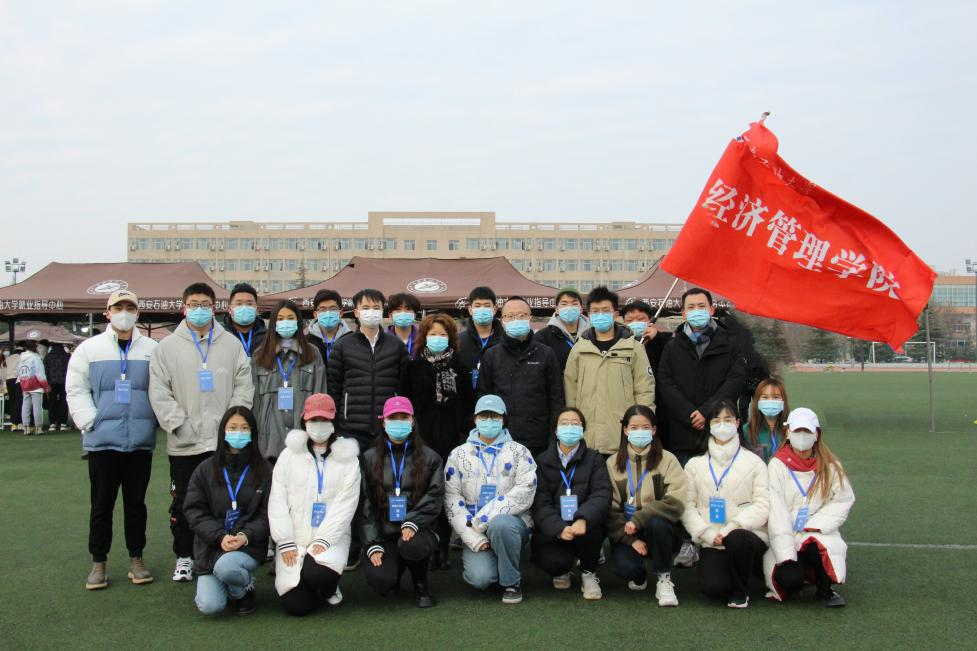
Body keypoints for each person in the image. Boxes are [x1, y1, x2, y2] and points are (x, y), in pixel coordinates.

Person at [149, 282, 254, 582]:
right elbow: (159, 392)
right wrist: (179, 425)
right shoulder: (167, 347)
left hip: (224, 443)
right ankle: (184, 555)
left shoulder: (231, 344)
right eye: (193, 304)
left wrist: (232, 426)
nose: (199, 310)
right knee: (185, 501)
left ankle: (222, 552)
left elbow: (243, 387)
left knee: (226, 500)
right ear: (184, 308)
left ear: (215, 308)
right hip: (185, 443)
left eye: (205, 304)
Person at [67, 289, 158, 590]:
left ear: (137, 312)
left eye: (129, 307)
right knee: (101, 505)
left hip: (140, 441)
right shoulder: (89, 349)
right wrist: (90, 421)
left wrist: (155, 420)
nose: (124, 312)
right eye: (118, 307)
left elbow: (162, 388)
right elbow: (76, 388)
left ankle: (137, 559)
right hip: (103, 441)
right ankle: (98, 563)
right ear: (107, 313)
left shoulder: (152, 349)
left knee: (136, 505)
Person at [657, 287, 746, 568]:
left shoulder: (729, 344)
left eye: (701, 306)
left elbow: (735, 380)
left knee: (719, 487)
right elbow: (665, 384)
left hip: (719, 430)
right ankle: (688, 541)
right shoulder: (673, 347)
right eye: (691, 307)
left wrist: (707, 412)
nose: (696, 311)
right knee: (686, 491)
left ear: (711, 310)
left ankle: (721, 537)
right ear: (683, 313)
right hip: (682, 432)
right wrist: (688, 414)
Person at [268, 394, 361, 616]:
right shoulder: (288, 455)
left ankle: (328, 587)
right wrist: (285, 540)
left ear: (333, 422)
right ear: (304, 421)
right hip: (294, 539)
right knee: (297, 607)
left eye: (324, 420)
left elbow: (346, 505)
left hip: (331, 537)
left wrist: (325, 538)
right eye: (313, 420)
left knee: (319, 574)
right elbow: (277, 499)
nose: (319, 426)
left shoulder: (348, 458)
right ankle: (309, 584)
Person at [398, 313, 475, 568]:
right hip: (422, 439)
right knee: (424, 490)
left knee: (448, 491)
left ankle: (444, 545)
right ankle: (426, 543)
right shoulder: (413, 366)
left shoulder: (460, 366)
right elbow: (406, 403)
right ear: (424, 336)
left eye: (443, 334)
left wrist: (463, 434)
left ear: (451, 337)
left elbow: (467, 404)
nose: (438, 338)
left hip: (453, 439)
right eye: (433, 334)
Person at [444, 395, 537, 604]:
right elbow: (452, 499)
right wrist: (473, 537)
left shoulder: (519, 451)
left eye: (494, 416)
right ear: (475, 419)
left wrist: (485, 518)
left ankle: (511, 582)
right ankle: (497, 561)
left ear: (503, 419)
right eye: (483, 416)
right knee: (481, 579)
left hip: (511, 524)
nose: (489, 420)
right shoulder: (458, 455)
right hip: (473, 529)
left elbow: (525, 491)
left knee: (500, 524)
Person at [184, 406, 272, 615]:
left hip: (247, 545)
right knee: (210, 606)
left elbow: (267, 513)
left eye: (244, 428)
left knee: (227, 568)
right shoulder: (205, 469)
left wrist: (244, 536)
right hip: (211, 546)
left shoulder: (265, 470)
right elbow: (194, 511)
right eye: (232, 427)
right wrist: (220, 537)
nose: (238, 432)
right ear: (223, 430)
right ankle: (234, 585)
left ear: (252, 432)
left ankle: (242, 591)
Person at [682, 400, 770, 608]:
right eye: (716, 420)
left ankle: (741, 591)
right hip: (712, 538)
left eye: (728, 420)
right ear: (709, 425)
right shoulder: (694, 465)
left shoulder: (754, 462)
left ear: (738, 423)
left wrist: (732, 528)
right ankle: (731, 572)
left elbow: (763, 504)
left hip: (746, 534)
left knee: (738, 540)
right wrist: (707, 534)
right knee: (713, 588)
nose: (722, 425)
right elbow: (687, 507)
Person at [765, 407, 854, 607]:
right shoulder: (777, 465)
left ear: (817, 435)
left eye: (807, 431)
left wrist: (815, 525)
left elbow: (843, 499)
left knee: (822, 547)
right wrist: (786, 555)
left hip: (816, 531)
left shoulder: (830, 465)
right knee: (789, 581)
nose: (802, 436)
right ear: (788, 432)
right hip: (787, 533)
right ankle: (800, 570)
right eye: (797, 431)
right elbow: (777, 511)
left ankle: (825, 588)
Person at [361, 397, 444, 607]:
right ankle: (395, 574)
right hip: (385, 533)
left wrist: (413, 521)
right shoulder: (368, 458)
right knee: (380, 580)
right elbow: (365, 504)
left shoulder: (431, 458)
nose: (398, 422)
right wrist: (373, 543)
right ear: (383, 422)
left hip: (419, 531)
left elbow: (435, 496)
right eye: (393, 418)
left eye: (403, 417)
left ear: (412, 421)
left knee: (411, 544)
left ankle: (420, 584)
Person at [606, 405, 686, 607]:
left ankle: (664, 578)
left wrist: (640, 518)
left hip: (661, 529)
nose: (639, 432)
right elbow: (609, 508)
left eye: (645, 427)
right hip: (627, 531)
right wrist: (630, 540)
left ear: (654, 430)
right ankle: (639, 573)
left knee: (657, 523)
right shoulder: (612, 463)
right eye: (634, 427)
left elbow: (676, 501)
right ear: (625, 430)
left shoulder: (668, 460)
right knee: (625, 569)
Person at [531, 407, 611, 600]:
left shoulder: (594, 458)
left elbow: (601, 494)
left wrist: (583, 518)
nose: (570, 428)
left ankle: (589, 573)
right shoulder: (542, 461)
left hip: (584, 526)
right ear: (555, 430)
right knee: (554, 562)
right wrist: (558, 528)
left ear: (583, 429)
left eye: (575, 424)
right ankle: (563, 569)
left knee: (593, 527)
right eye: (564, 423)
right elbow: (540, 502)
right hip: (556, 528)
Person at [565, 287, 655, 456]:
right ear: (588, 315)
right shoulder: (579, 349)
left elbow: (644, 390)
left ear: (615, 314)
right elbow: (570, 390)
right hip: (587, 438)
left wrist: (641, 426)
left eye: (605, 310)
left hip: (622, 436)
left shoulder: (634, 348)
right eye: (595, 311)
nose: (600, 315)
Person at [476, 296, 564, 456]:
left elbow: (556, 399)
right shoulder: (491, 355)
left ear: (530, 318)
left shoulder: (546, 353)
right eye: (510, 316)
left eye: (522, 315)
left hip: (539, 440)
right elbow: (484, 396)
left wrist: (554, 439)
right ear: (502, 320)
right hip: (501, 438)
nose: (516, 320)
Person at [327, 288, 408, 451]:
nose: (371, 312)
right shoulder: (342, 346)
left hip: (387, 427)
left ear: (383, 311)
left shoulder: (396, 345)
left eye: (376, 307)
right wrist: (337, 425)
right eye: (365, 307)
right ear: (356, 312)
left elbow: (404, 386)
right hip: (351, 429)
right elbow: (333, 388)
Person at [251, 299, 327, 461]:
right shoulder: (259, 356)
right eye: (280, 318)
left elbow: (321, 397)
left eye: (290, 318)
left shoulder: (312, 354)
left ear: (298, 322)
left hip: (304, 440)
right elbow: (255, 402)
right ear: (273, 323)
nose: (285, 322)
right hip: (269, 442)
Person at [534, 287, 591, 372]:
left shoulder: (592, 334)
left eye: (574, 303)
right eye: (564, 304)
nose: (569, 307)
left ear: (581, 309)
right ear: (557, 309)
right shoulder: (542, 337)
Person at [458, 286, 503, 390]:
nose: (482, 309)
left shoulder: (505, 340)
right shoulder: (458, 341)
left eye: (487, 306)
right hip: (467, 397)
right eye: (477, 306)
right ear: (470, 310)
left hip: (498, 397)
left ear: (495, 309)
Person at [743, 377, 790, 462]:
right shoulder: (747, 430)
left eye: (776, 397)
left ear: (783, 401)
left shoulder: (790, 429)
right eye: (765, 397)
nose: (770, 401)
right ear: (757, 401)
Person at [621, 301, 673, 376]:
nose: (635, 322)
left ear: (650, 320)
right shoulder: (619, 343)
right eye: (629, 320)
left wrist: (657, 338)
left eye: (640, 319)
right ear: (624, 323)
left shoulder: (666, 340)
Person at [307, 289, 352, 363]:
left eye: (333, 309)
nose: (328, 313)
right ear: (315, 315)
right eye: (322, 310)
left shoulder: (353, 341)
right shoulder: (306, 342)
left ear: (340, 313)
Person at [223, 283, 267, 358]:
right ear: (230, 309)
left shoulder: (268, 337)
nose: (244, 307)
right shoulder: (221, 335)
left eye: (249, 304)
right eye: (239, 304)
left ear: (257, 310)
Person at [17, 340, 49, 435]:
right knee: (37, 407)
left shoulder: (21, 358)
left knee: (25, 407)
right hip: (35, 385)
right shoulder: (36, 358)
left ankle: (26, 428)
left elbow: (18, 371)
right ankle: (38, 428)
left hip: (24, 384)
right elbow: (40, 373)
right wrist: (46, 386)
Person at [43, 340, 71, 431]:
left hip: (51, 383)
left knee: (52, 402)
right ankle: (63, 423)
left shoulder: (48, 356)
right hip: (64, 382)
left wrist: (47, 383)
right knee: (63, 401)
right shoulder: (67, 356)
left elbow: (45, 371)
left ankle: (52, 423)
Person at [386, 293, 421, 360]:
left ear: (414, 315)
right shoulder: (381, 340)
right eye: (398, 309)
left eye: (408, 309)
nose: (403, 312)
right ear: (390, 315)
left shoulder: (423, 339)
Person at [4, 345, 23, 432]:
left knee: (12, 400)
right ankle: (17, 422)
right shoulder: (20, 357)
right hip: (17, 380)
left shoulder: (9, 358)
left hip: (8, 380)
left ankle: (13, 423)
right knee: (19, 401)